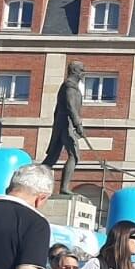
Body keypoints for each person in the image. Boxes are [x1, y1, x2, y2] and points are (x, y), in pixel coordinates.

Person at [41, 60, 86, 195]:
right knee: (74, 155)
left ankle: (31, 179)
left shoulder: (71, 86)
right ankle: (64, 188)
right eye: (82, 70)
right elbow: (70, 106)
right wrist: (77, 124)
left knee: (52, 157)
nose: (83, 73)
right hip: (66, 124)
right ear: (74, 71)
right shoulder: (70, 86)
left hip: (66, 124)